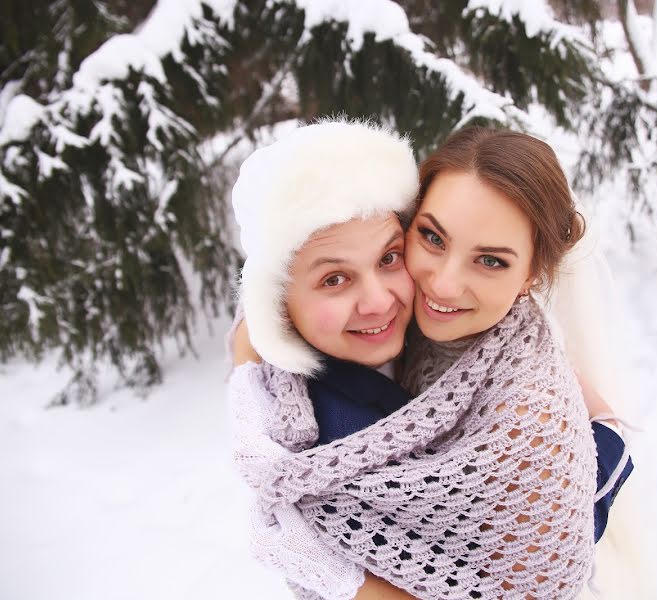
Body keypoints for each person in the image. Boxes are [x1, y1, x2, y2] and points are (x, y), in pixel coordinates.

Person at [228, 121, 632, 599]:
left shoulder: (528, 419)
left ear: (531, 276)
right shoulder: (388, 330)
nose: (440, 284)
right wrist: (248, 358)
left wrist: (339, 576)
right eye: (432, 239)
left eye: (491, 261)